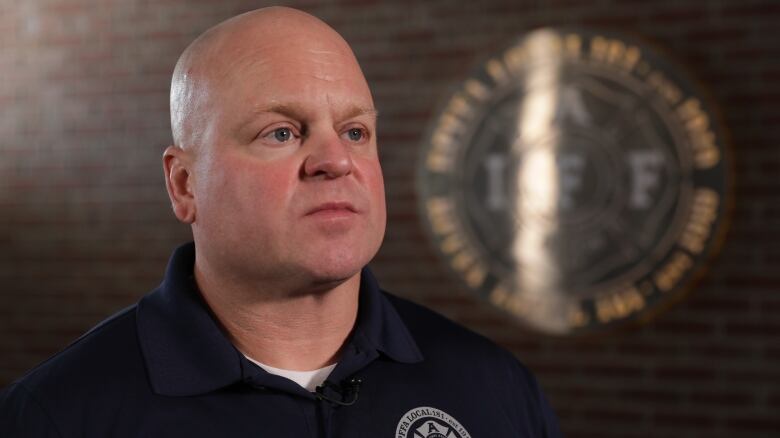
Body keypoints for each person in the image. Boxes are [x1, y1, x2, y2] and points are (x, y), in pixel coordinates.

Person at [0, 6, 561, 437]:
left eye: (355, 132)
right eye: (282, 133)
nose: (335, 160)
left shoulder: (496, 387)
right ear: (184, 184)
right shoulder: (58, 415)